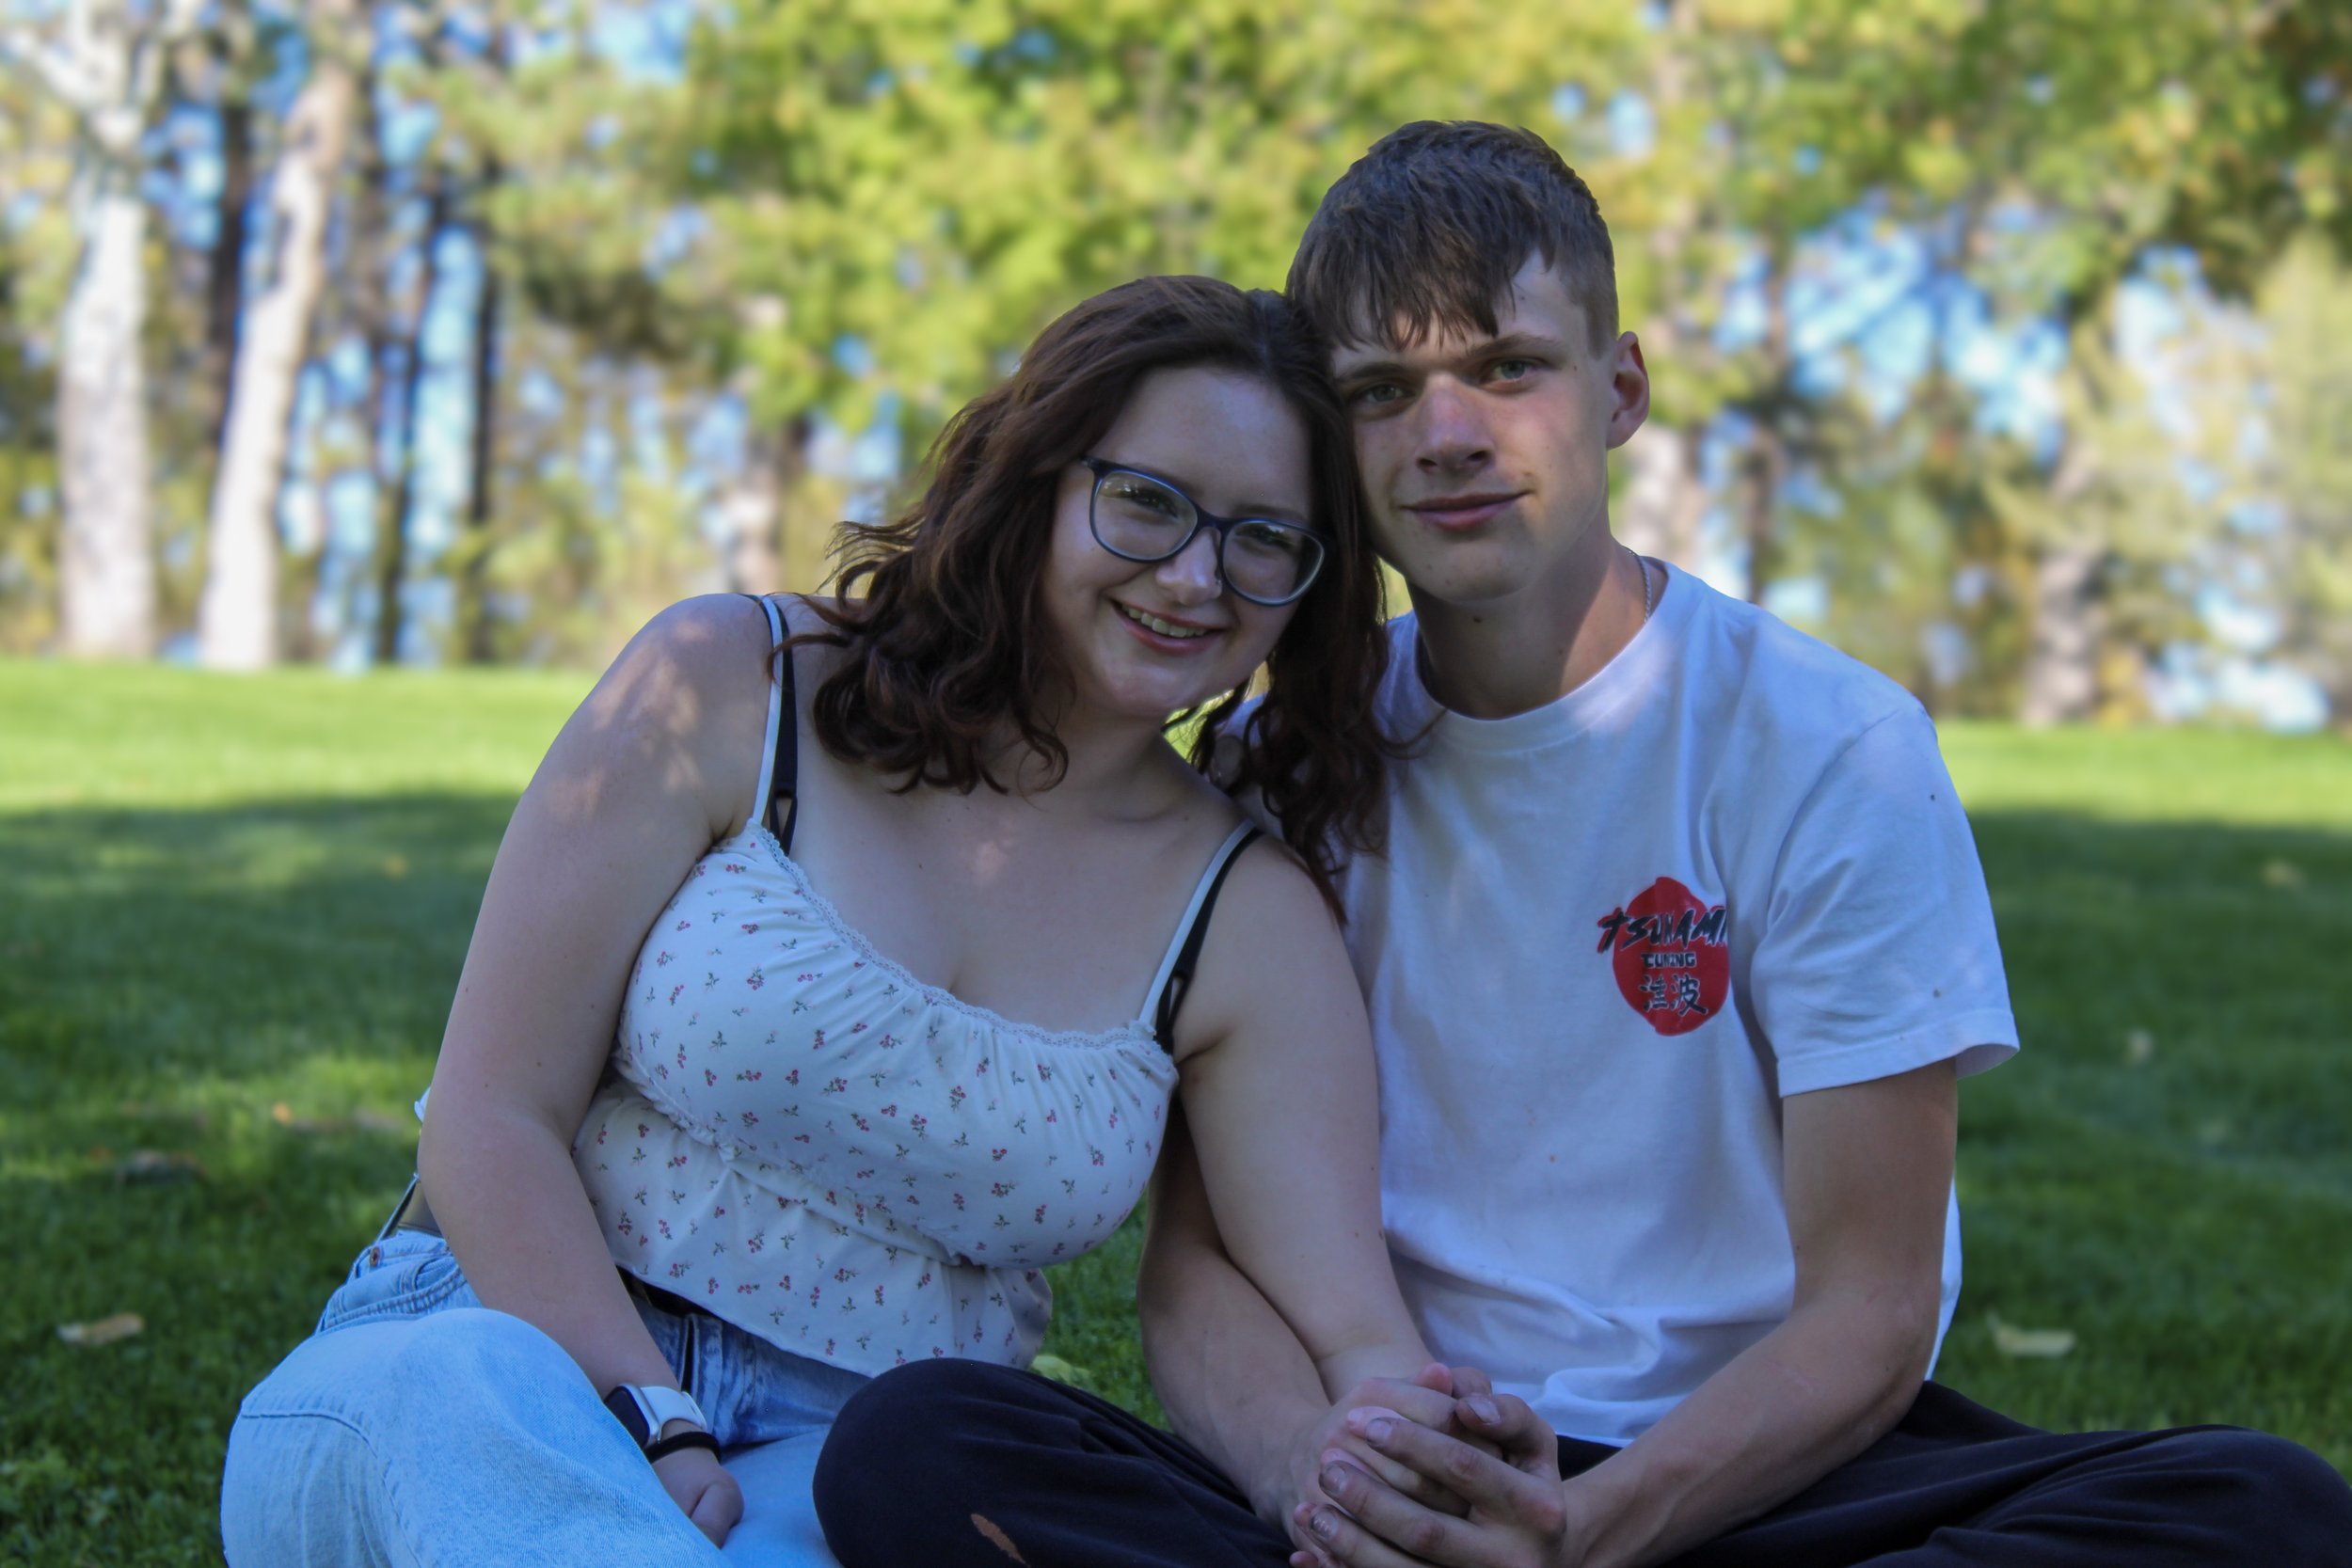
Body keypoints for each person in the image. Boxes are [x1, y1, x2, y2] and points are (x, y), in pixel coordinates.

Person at [811, 123, 2352, 1567]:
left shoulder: (1832, 746)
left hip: (1756, 1475)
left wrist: (1583, 1539)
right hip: (1406, 1443)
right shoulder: (1286, 763)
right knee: (919, 1444)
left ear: (1618, 388)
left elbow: (1871, 1318)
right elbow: (1196, 1274)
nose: (1449, 434)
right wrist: (1330, 1494)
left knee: (2263, 1510)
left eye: (1507, 366)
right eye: (1380, 393)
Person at [218, 275, 1450, 1567]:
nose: (1198, 576)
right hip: (486, 1368)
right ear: (1035, 482)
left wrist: (1384, 1462)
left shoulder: (1243, 915)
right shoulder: (729, 684)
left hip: (835, 1472)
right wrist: (649, 1416)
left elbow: (1345, 1322)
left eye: (1265, 538)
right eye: (1146, 501)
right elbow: (489, 1114)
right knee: (463, 1392)